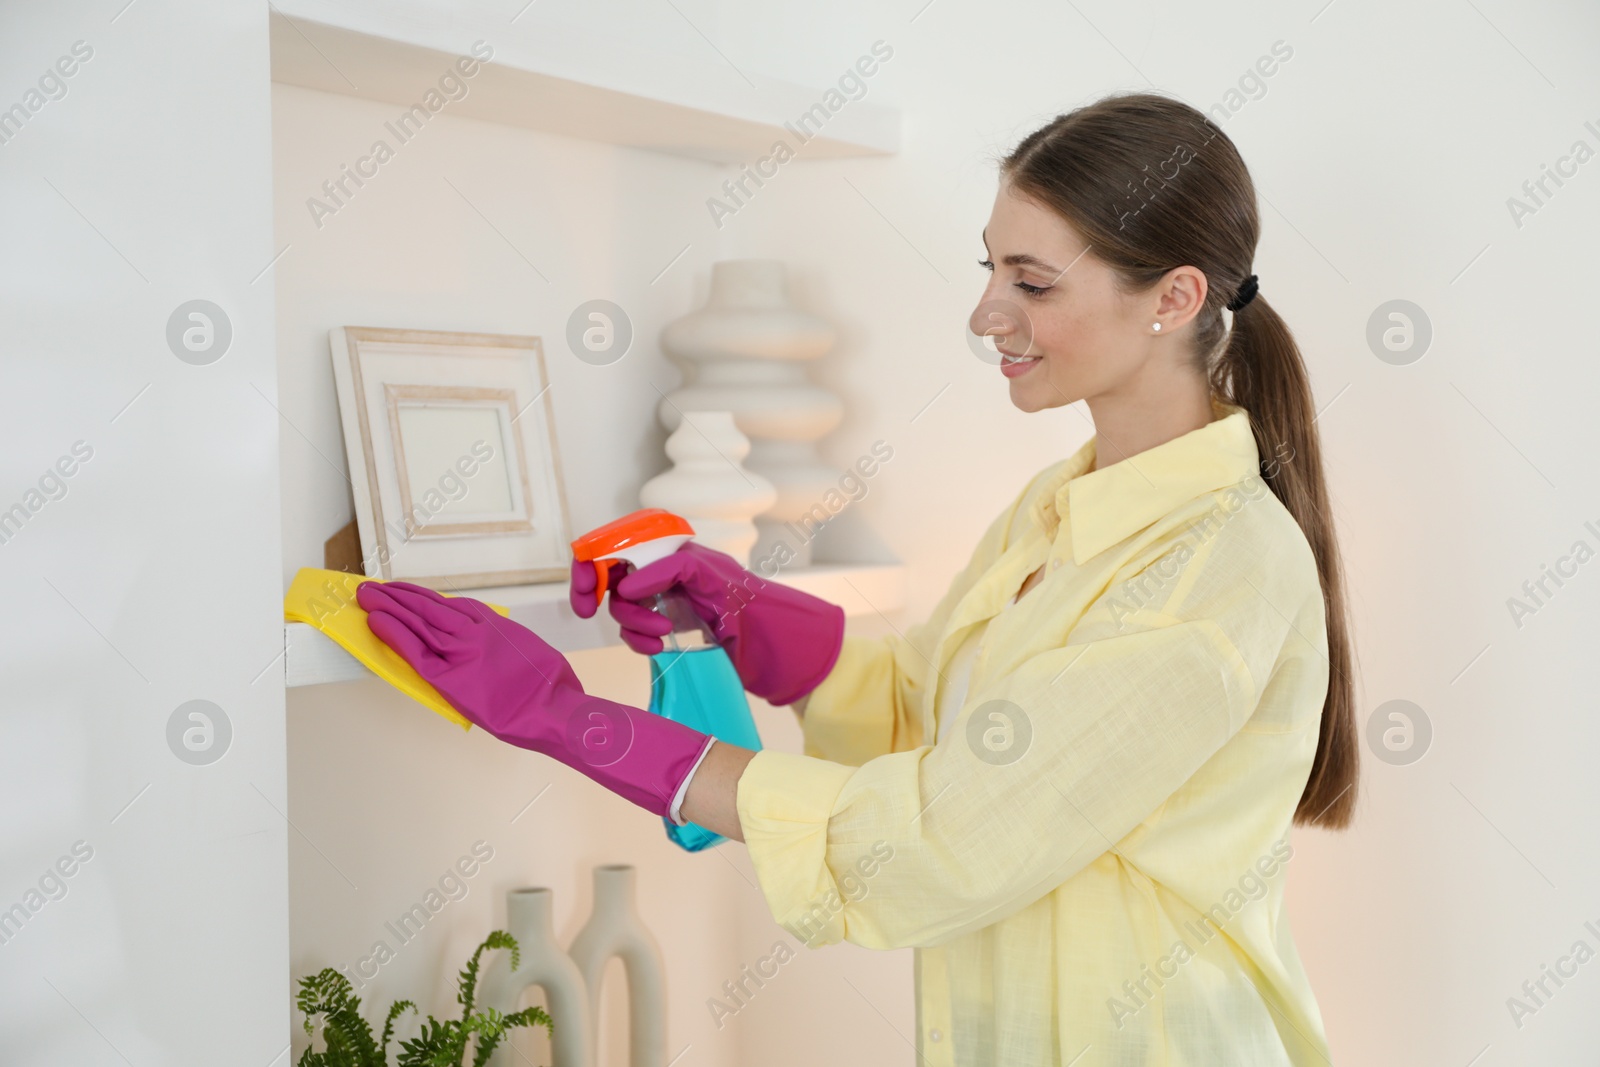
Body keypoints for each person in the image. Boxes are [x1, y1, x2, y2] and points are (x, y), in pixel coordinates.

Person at [358, 91, 1358, 1066]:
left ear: (1174, 298)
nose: (985, 313)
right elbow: (927, 709)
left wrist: (564, 715)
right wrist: (747, 614)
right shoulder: (1059, 504)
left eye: (1032, 281)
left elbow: (933, 837)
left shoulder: (1220, 567)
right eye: (988, 269)